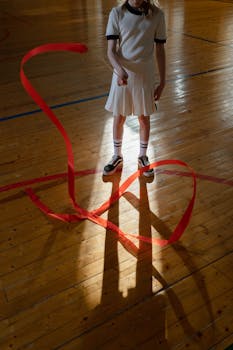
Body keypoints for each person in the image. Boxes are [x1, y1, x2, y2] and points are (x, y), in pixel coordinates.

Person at [103, 0, 166, 177]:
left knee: (144, 118)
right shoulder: (116, 14)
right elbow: (111, 51)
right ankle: (117, 156)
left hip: (145, 74)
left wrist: (162, 81)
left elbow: (160, 50)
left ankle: (143, 156)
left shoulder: (158, 15)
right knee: (119, 116)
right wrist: (119, 69)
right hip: (122, 74)